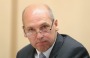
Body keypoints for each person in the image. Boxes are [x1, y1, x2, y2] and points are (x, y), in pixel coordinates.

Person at [16, 4, 90, 58]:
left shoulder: (75, 52)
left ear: (56, 25)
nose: (39, 36)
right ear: (24, 31)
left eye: (44, 27)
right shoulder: (22, 54)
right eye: (31, 30)